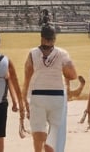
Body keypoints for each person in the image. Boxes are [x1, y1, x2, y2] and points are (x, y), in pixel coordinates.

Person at [22, 23, 77, 152]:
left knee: (38, 133)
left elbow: (27, 78)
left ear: (41, 37)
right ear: (54, 38)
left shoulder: (33, 54)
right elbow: (73, 74)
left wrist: (24, 100)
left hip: (38, 96)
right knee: (53, 134)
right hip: (57, 96)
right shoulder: (62, 53)